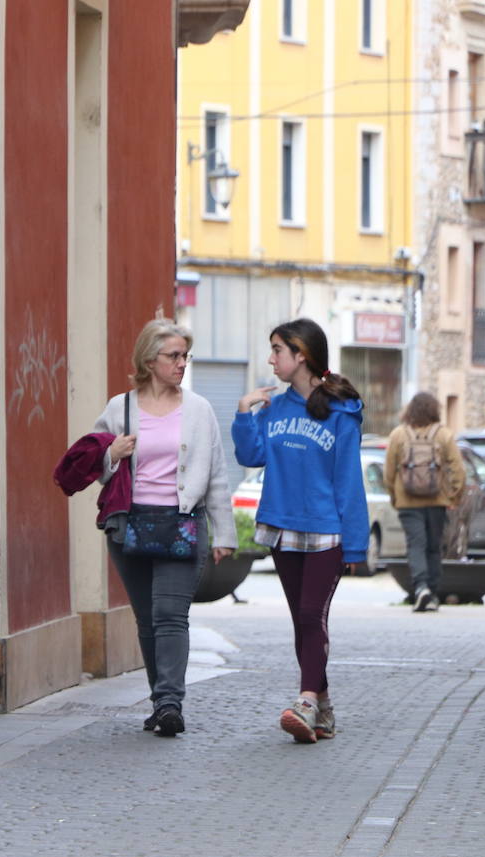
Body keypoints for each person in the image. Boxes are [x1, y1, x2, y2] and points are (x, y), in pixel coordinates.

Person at [93, 318, 236, 737]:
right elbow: (91, 466)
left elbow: (217, 475)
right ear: (149, 360)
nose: (181, 364)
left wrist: (224, 533)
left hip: (182, 525)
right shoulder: (119, 409)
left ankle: (171, 703)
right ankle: (161, 700)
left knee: (171, 616)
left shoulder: (199, 410)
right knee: (146, 619)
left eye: (184, 356)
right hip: (131, 526)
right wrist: (112, 455)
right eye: (173, 356)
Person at [232, 318, 366, 744]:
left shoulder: (342, 414)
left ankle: (307, 701)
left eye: (277, 350)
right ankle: (322, 708)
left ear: (301, 355)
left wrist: (356, 544)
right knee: (301, 620)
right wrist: (243, 413)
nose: (271, 359)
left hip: (326, 532)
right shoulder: (274, 408)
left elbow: (348, 482)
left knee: (312, 614)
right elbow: (251, 455)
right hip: (281, 526)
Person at [384, 392, 466, 613]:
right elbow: (458, 469)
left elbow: (388, 472)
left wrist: (395, 496)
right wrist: (454, 497)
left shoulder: (399, 434)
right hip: (437, 500)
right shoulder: (443, 435)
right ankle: (432, 591)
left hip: (407, 502)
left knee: (416, 545)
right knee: (433, 546)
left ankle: (421, 588)